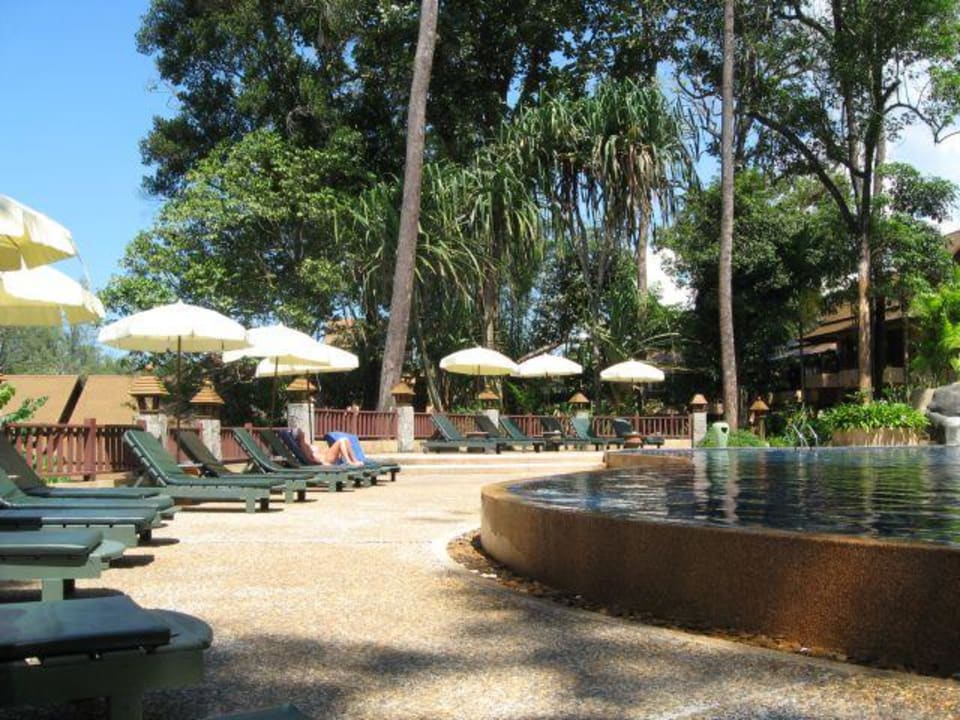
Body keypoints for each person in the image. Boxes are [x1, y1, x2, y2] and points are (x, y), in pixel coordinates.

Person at [295, 429, 363, 467]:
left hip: (326, 455)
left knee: (346, 440)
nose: (302, 431)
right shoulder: (302, 446)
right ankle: (348, 462)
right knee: (342, 441)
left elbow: (315, 452)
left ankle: (354, 460)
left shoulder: (305, 443)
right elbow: (310, 459)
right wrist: (322, 463)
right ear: (299, 436)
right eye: (300, 432)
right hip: (326, 459)